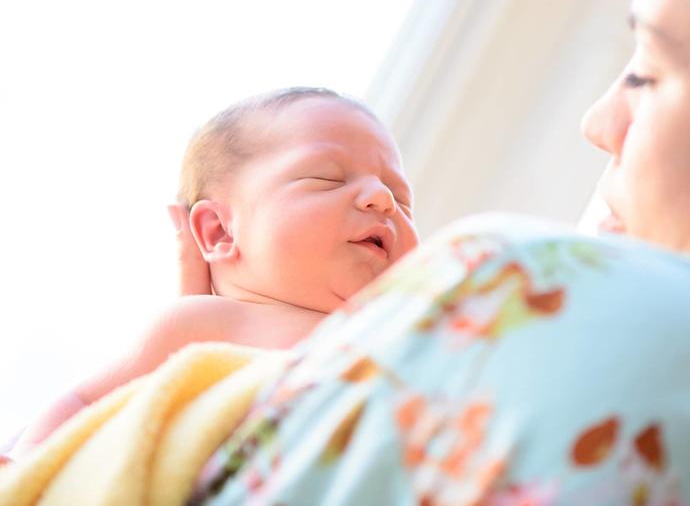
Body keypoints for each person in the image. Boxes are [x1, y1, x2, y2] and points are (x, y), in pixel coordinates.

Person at [3, 0, 690, 503]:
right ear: (217, 232)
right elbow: (92, 411)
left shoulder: (517, 297)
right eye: (324, 180)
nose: (596, 123)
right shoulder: (199, 329)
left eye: (648, 73)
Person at [6, 87, 419, 459]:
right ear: (219, 231)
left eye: (402, 200)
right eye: (326, 179)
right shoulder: (205, 322)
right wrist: (26, 466)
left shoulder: (403, 328)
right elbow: (81, 402)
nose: (382, 200)